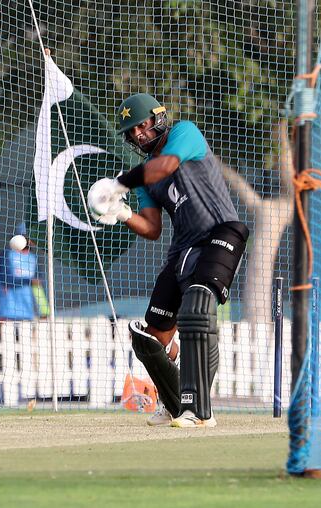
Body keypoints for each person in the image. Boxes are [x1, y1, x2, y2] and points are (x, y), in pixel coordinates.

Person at [87, 93, 249, 427]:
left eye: (142, 125)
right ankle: (174, 404)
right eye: (131, 132)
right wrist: (122, 212)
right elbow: (152, 228)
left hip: (221, 232)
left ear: (158, 118)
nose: (138, 135)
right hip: (183, 248)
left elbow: (167, 165)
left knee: (196, 310)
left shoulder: (184, 132)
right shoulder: (146, 176)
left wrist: (119, 184)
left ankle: (198, 411)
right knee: (153, 336)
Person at [0, 228, 42, 321]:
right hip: (9, 310)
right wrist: (29, 281)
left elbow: (38, 280)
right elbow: (7, 279)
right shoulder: (7, 254)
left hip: (28, 311)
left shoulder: (33, 257)